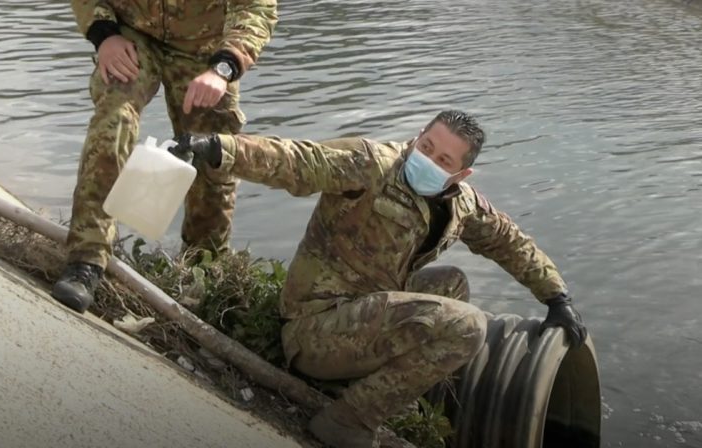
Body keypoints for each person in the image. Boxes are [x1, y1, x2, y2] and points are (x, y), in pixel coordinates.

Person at [172, 110, 588, 448]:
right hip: (316, 329)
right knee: (467, 324)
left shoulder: (462, 205)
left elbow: (508, 241)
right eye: (426, 147)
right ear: (417, 136)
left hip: (364, 318)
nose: (428, 161)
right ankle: (346, 421)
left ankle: (384, 392)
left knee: (452, 285)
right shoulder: (370, 165)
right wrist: (218, 149)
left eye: (443, 161)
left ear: (460, 177)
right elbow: (298, 160)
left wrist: (556, 297)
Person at [52, 0, 277, 313]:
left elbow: (256, 8)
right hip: (133, 36)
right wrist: (104, 35)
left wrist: (224, 68)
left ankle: (203, 273)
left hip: (204, 48)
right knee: (114, 118)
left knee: (214, 153)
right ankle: (86, 261)